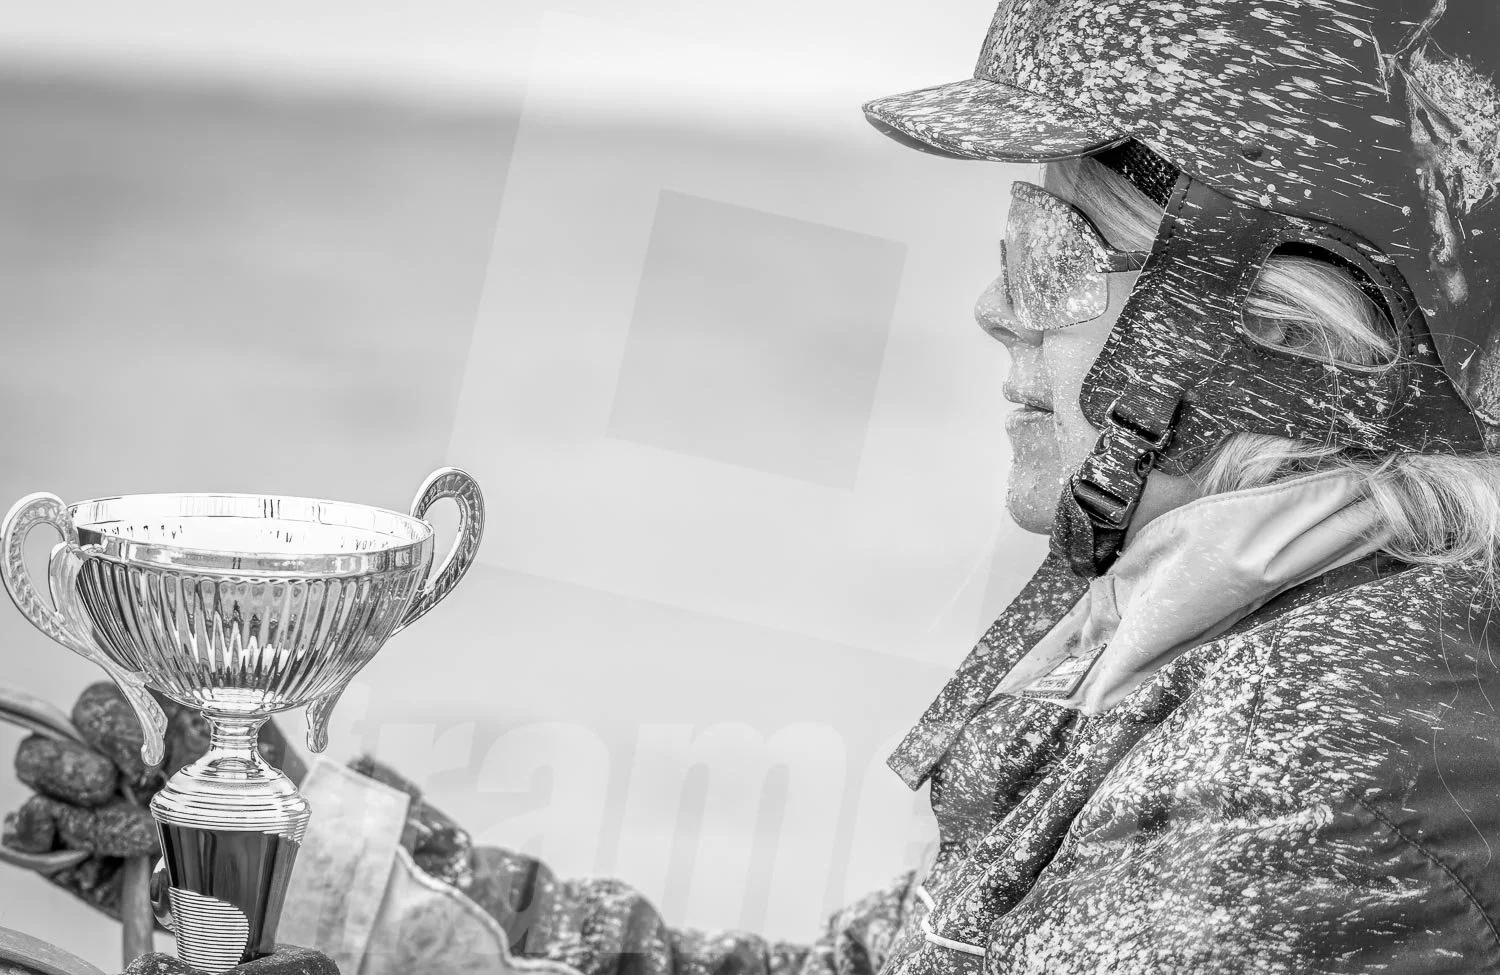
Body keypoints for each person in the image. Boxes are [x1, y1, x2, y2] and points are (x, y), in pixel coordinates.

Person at [10, 0, 1500, 972]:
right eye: (1010, 242)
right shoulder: (1230, 642)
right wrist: (292, 853)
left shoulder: (1341, 727)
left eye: (1057, 249)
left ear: (1283, 329)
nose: (999, 308)